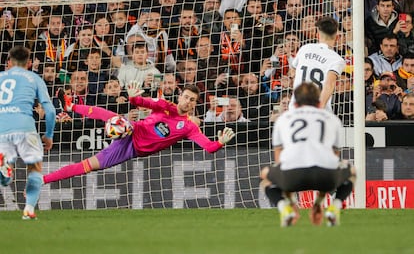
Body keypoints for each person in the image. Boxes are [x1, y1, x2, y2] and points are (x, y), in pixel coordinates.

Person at [43, 83, 235, 184]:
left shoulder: (189, 127)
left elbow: (209, 148)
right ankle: (71, 105)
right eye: (186, 97)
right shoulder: (164, 106)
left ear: (195, 104)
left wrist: (220, 142)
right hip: (132, 130)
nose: (187, 101)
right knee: (115, 118)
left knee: (87, 166)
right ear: (180, 96)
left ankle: (42, 180)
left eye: (192, 100)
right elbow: (141, 103)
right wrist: (134, 95)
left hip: (132, 150)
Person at [260, 82, 355, 227]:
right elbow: (333, 159)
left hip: (292, 176)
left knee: (266, 176)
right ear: (318, 102)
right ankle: (334, 208)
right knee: (352, 171)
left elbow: (280, 162)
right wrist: (318, 203)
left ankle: (285, 209)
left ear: (295, 103)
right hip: (326, 177)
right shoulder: (333, 119)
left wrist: (292, 202)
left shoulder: (283, 119)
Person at [0, 46, 56, 220]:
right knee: (35, 169)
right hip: (25, 126)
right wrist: (49, 135)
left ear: (9, 61)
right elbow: (51, 111)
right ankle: (29, 210)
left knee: (6, 165)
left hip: (2, 127)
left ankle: (5, 173)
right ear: (29, 63)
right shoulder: (33, 78)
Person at [289, 16, 345, 111]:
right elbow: (329, 84)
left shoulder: (305, 49)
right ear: (337, 37)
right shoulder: (337, 59)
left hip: (296, 108)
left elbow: (293, 71)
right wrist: (318, 108)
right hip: (320, 113)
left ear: (317, 35)